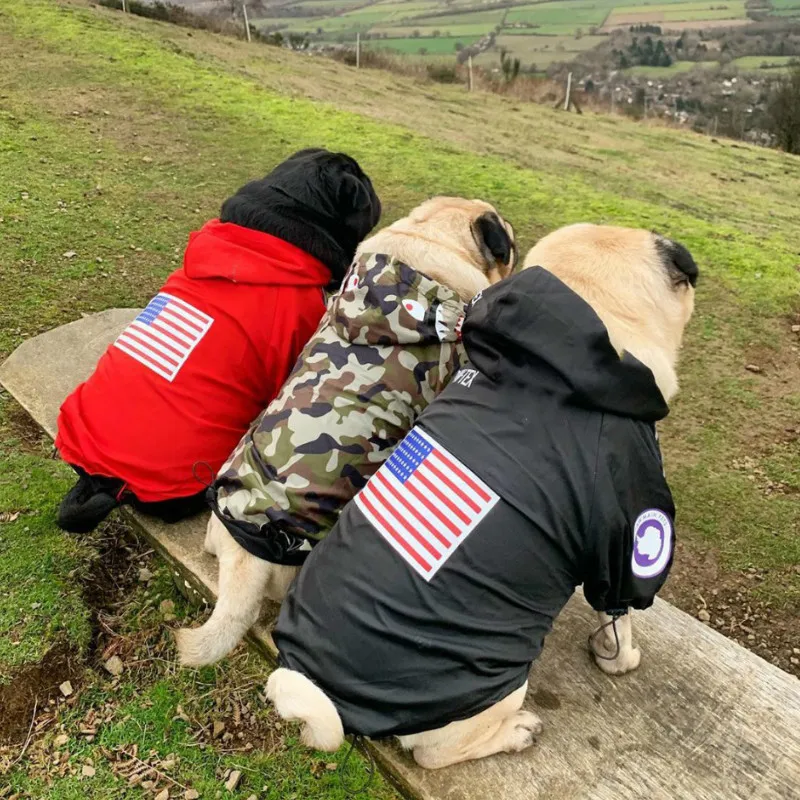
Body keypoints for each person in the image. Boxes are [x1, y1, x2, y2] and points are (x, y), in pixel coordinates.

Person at [55, 149, 381, 534]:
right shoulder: (296, 305)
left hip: (84, 434)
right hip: (172, 485)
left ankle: (106, 482)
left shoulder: (208, 253)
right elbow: (288, 405)